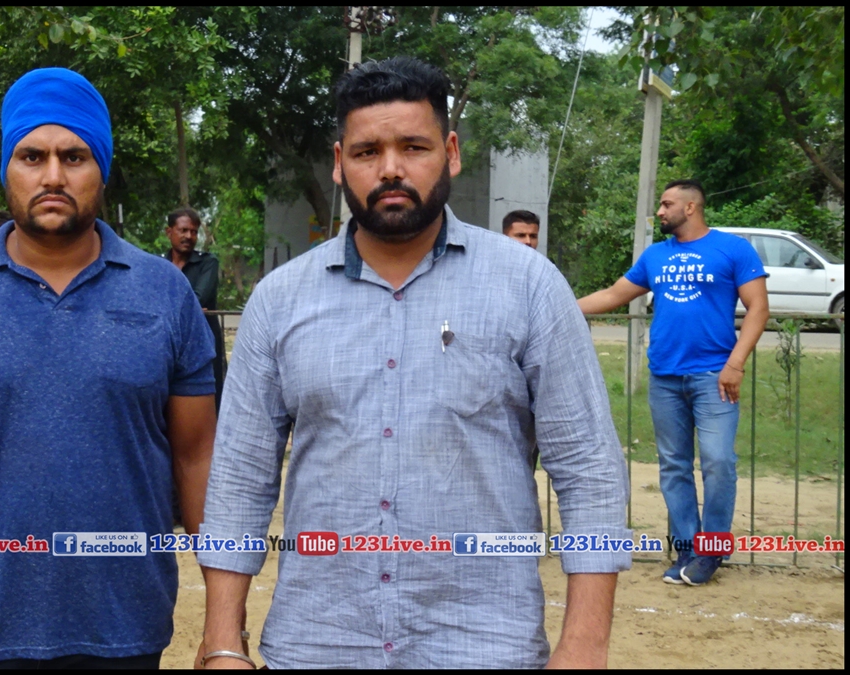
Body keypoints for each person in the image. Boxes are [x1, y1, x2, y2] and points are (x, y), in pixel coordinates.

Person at [197, 57, 630, 669]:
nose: (391, 169)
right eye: (367, 151)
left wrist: (584, 647)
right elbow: (240, 477)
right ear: (339, 162)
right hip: (320, 644)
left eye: (413, 147)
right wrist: (222, 641)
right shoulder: (278, 301)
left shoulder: (529, 287)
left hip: (482, 647)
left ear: (450, 153)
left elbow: (589, 469)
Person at [0, 67, 217, 669]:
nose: (53, 176)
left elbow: (197, 458)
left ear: (101, 168)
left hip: (122, 634)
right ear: (8, 168)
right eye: (32, 156)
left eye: (74, 156)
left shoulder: (165, 294)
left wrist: (222, 627)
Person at [577, 179, 768, 586]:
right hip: (664, 377)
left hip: (715, 376)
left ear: (691, 207)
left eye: (667, 205)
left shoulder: (733, 249)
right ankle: (687, 547)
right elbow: (614, 294)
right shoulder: (656, 255)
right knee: (674, 466)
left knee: (718, 462)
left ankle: (711, 549)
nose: (660, 212)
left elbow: (758, 308)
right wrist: (560, 308)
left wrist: (735, 364)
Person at [164, 207, 226, 410]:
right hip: (166, 341)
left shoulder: (208, 263)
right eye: (183, 230)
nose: (189, 236)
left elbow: (198, 299)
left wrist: (163, 307)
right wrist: (189, 309)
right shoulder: (159, 265)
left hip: (202, 342)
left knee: (207, 399)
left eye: (193, 232)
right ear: (169, 232)